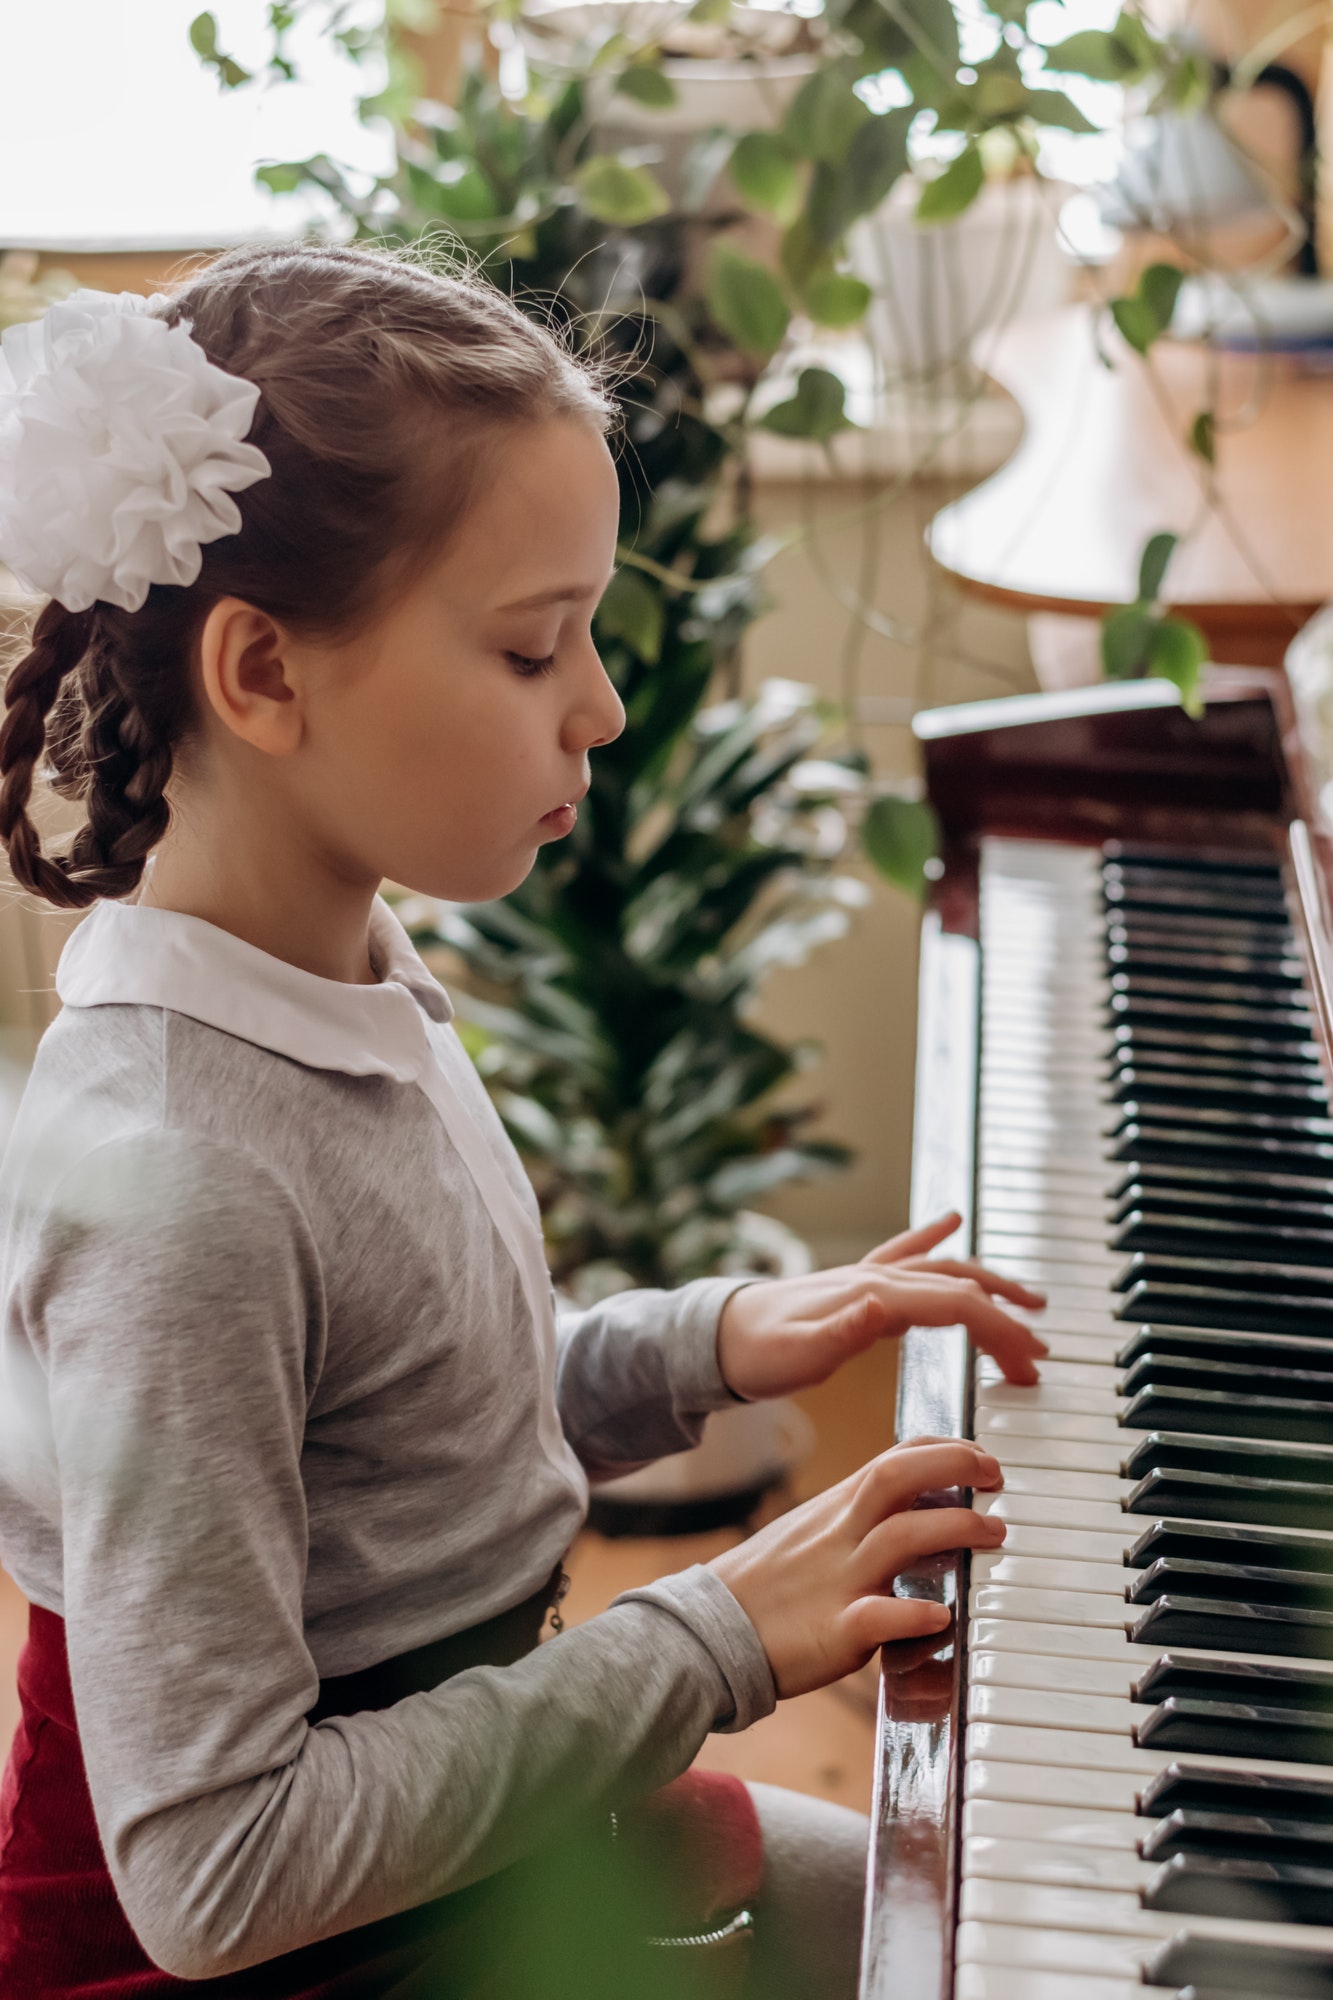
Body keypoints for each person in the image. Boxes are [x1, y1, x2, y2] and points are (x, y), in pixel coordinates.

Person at [0, 245, 1046, 2000]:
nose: (602, 708)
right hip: (289, 1946)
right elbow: (212, 1868)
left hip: (452, 1824)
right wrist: (714, 1635)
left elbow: (392, 1448)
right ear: (263, 674)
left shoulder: (346, 973)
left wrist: (698, 1345)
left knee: (958, 1926)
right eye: (530, 646)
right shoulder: (174, 1184)